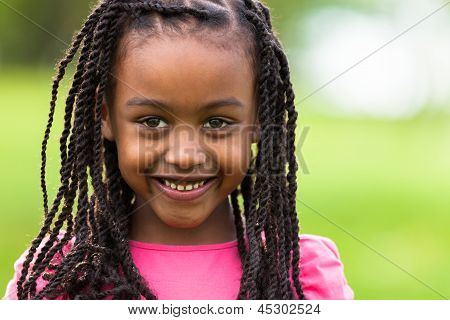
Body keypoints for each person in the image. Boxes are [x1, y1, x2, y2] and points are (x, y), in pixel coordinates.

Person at [4, 0, 353, 300]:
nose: (185, 156)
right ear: (105, 116)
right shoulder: (60, 275)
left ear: (258, 118)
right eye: (152, 122)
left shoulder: (299, 275)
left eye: (217, 123)